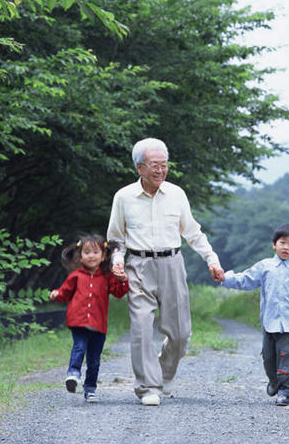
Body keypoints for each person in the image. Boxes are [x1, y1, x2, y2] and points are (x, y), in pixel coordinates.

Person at [107, 138, 224, 406]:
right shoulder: (123, 197)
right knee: (141, 329)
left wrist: (211, 259)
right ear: (139, 168)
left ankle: (164, 373)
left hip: (172, 263)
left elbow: (193, 232)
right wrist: (117, 259)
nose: (160, 170)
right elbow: (115, 237)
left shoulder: (176, 194)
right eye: (154, 165)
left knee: (180, 333)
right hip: (138, 266)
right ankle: (147, 387)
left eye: (164, 164)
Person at [218, 223, 289, 406]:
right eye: (282, 242)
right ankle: (274, 381)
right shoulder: (265, 267)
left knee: (287, 357)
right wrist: (225, 279)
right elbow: (246, 279)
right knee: (269, 359)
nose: (286, 247)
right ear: (274, 244)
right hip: (269, 323)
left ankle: (285, 391)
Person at [50, 234, 129, 403]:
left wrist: (123, 280)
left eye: (95, 252)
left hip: (98, 325)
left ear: (103, 256)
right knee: (79, 347)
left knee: (94, 360)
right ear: (80, 257)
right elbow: (65, 293)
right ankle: (73, 374)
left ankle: (90, 388)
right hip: (78, 322)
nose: (91, 256)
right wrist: (57, 294)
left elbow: (118, 293)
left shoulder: (107, 277)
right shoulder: (76, 276)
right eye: (86, 252)